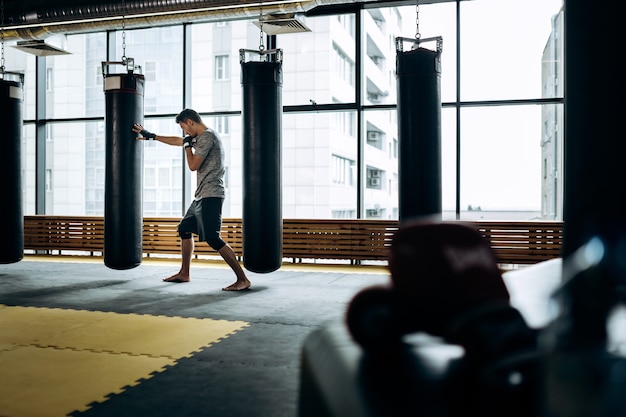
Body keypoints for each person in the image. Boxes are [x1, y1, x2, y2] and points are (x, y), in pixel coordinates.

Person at [132, 109, 251, 291]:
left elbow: (193, 165)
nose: (185, 133)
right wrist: (151, 136)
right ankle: (184, 273)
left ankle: (242, 279)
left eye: (184, 128)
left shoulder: (207, 137)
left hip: (211, 195)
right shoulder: (201, 137)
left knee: (212, 238)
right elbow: (178, 141)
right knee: (184, 229)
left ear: (190, 122)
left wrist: (187, 146)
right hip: (201, 195)